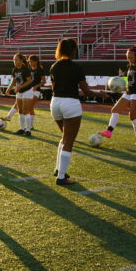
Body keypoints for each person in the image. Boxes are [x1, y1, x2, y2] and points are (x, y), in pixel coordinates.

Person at [49, 39, 103, 185]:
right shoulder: (76, 67)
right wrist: (100, 94)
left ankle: (57, 169)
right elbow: (86, 91)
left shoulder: (54, 66)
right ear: (73, 50)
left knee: (64, 137)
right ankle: (61, 177)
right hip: (70, 103)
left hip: (55, 103)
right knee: (69, 141)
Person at [98, 46, 136, 145]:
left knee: (132, 116)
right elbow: (129, 80)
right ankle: (109, 131)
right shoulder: (129, 66)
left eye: (130, 56)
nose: (129, 58)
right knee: (115, 110)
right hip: (128, 93)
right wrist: (120, 83)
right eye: (127, 56)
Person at [5, 53, 34, 137]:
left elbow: (29, 80)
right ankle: (22, 129)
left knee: (26, 111)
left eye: (16, 59)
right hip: (19, 91)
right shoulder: (14, 69)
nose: (15, 61)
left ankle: (28, 130)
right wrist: (8, 88)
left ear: (21, 60)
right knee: (20, 111)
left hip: (27, 91)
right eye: (14, 59)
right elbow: (14, 81)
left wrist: (20, 87)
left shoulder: (26, 69)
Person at [26, 55, 47, 130]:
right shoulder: (29, 69)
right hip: (29, 90)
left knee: (29, 107)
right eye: (29, 62)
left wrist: (36, 86)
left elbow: (44, 81)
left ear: (36, 61)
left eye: (31, 61)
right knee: (30, 108)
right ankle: (31, 125)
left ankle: (30, 125)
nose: (30, 63)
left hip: (36, 91)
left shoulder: (40, 70)